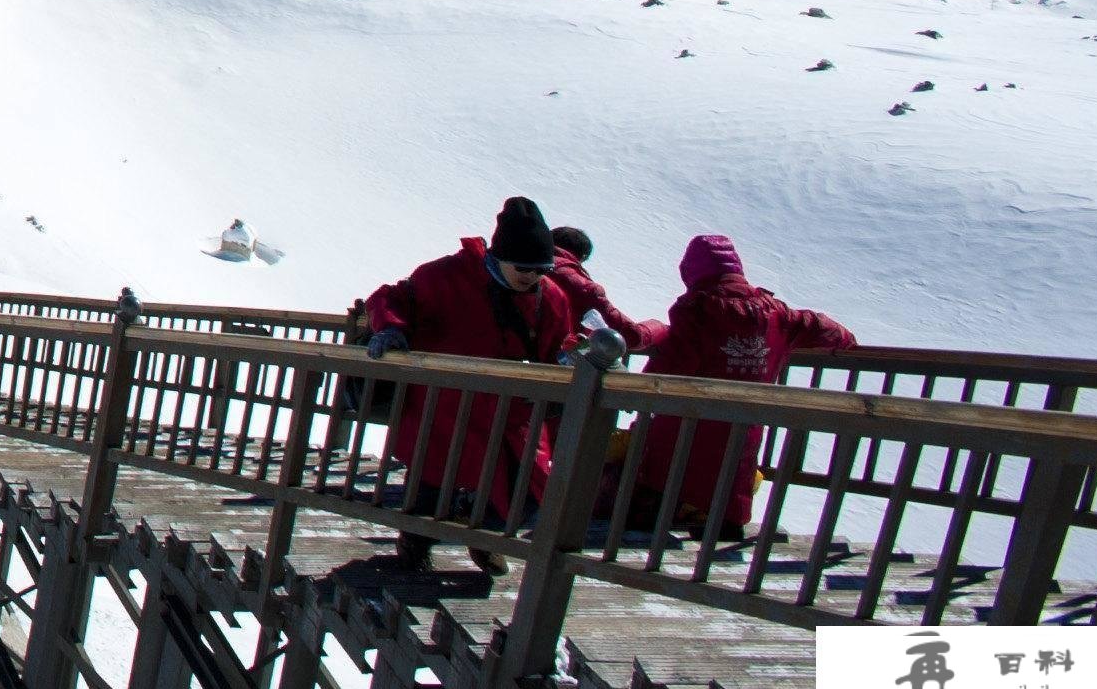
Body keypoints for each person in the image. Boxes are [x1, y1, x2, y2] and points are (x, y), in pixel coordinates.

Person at [361, 197, 582, 566]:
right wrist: (392, 328)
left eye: (540, 268)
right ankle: (414, 547)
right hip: (444, 406)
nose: (531, 276)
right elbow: (390, 298)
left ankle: (483, 535)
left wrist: (570, 357)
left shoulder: (551, 296)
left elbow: (561, 342)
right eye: (522, 267)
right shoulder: (445, 276)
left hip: (512, 415)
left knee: (527, 493)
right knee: (431, 485)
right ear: (499, 256)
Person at [600, 237, 858, 531]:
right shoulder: (776, 312)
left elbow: (673, 366)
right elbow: (819, 325)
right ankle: (719, 517)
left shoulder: (698, 310)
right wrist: (847, 342)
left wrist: (639, 391)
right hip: (742, 432)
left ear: (691, 272)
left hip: (685, 425)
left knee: (660, 472)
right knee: (730, 475)